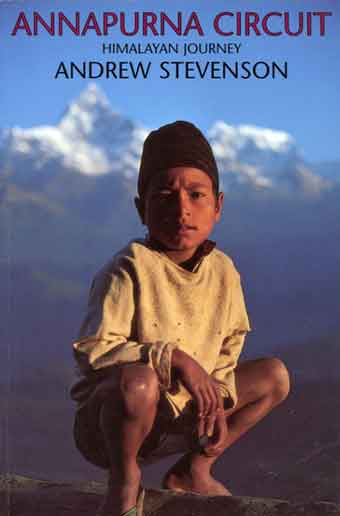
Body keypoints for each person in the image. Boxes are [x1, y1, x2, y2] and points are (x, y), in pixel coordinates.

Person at [70, 121, 290, 516]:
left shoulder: (223, 272)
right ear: (141, 208)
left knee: (274, 376)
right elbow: (93, 351)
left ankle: (195, 469)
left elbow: (228, 349)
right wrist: (175, 359)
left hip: (187, 417)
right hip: (117, 423)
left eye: (196, 195)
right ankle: (124, 484)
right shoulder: (128, 268)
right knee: (138, 381)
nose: (182, 209)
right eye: (165, 196)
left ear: (218, 206)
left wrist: (220, 397)